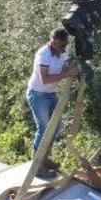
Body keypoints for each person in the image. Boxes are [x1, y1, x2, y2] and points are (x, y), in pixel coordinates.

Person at [26, 28, 79, 174]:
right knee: (43, 128)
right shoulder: (43, 55)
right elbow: (45, 79)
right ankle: (37, 166)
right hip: (37, 94)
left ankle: (45, 158)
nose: (64, 48)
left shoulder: (63, 51)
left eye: (66, 45)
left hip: (50, 94)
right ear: (53, 42)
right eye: (62, 45)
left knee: (57, 127)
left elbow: (66, 67)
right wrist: (67, 73)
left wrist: (73, 70)